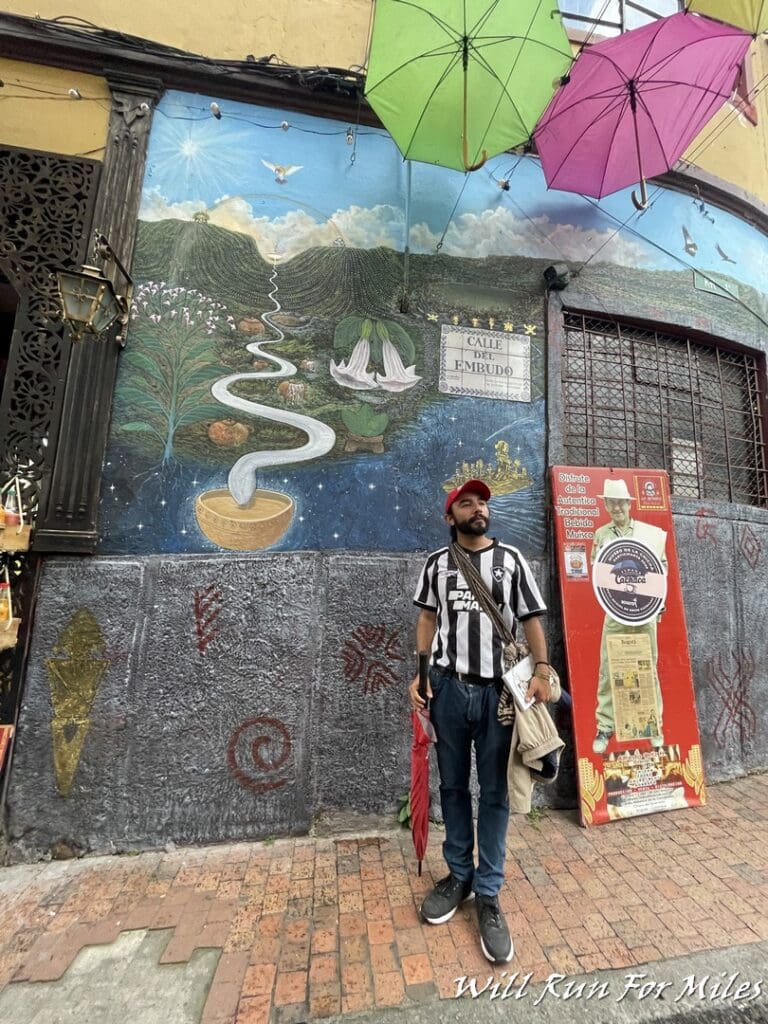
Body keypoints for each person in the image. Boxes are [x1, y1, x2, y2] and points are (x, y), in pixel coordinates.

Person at [409, 479, 551, 964]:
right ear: (451, 516)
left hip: (499, 696)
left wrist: (545, 669)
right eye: (466, 503)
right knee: (451, 788)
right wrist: (421, 675)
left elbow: (532, 617)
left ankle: (488, 893)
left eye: (482, 502)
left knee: (494, 793)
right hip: (448, 689)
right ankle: (458, 876)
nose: (478, 509)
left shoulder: (511, 561)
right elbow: (427, 620)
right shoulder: (436, 564)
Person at [590, 478, 667, 755]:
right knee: (608, 668)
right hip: (615, 611)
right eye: (611, 502)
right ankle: (605, 726)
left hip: (645, 612)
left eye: (621, 501)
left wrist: (656, 602)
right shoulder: (601, 535)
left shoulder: (649, 535)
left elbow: (662, 569)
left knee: (647, 666)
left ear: (628, 504)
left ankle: (652, 726)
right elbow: (596, 571)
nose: (616, 506)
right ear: (606, 505)